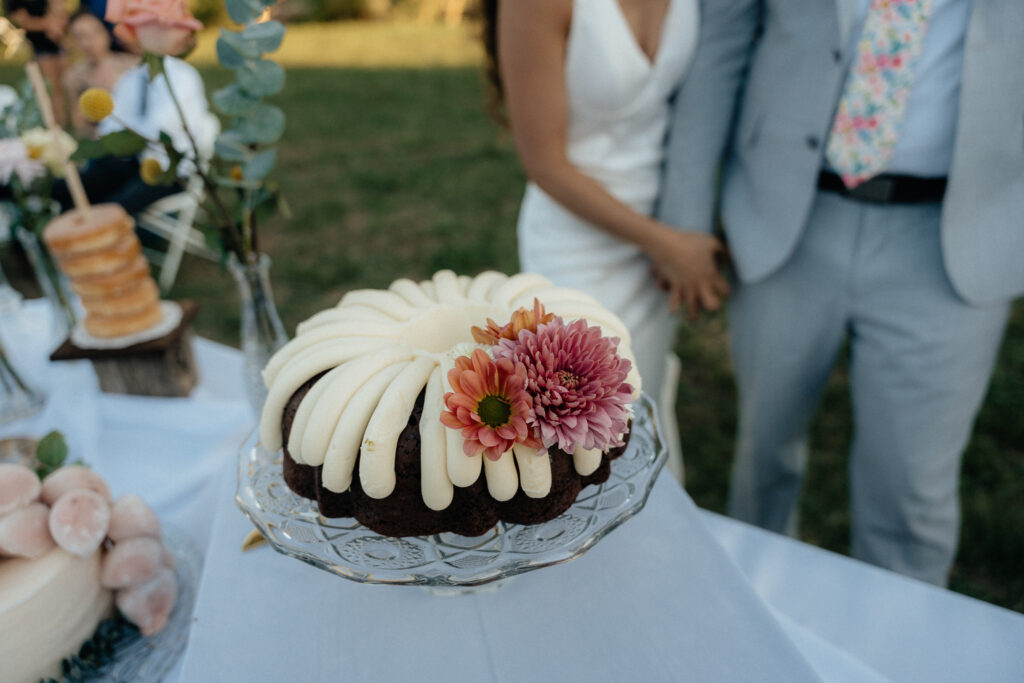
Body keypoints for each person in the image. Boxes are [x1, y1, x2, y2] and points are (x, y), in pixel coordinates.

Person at [659, 0, 1024, 586]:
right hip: (788, 214)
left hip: (954, 233)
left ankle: (892, 658)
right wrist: (684, 218)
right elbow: (722, 37)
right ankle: (760, 625)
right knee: (763, 450)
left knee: (910, 491)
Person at [483, 0, 730, 479]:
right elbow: (545, 166)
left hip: (656, 247)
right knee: (575, 448)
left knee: (645, 410)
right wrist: (667, 245)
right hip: (578, 251)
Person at [52, 46, 215, 217]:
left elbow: (159, 129)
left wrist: (120, 135)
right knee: (70, 187)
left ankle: (98, 230)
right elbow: (111, 122)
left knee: (110, 210)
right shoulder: (133, 76)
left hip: (170, 171)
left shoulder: (182, 76)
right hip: (132, 161)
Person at [63, 10, 138, 137]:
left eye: (95, 32)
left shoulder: (133, 66)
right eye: (81, 36)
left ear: (107, 33)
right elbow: (79, 126)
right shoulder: (73, 77)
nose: (89, 41)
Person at [4, 0, 69, 126]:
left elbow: (60, 8)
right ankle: (57, 123)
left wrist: (58, 25)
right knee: (51, 87)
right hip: (41, 46)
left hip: (59, 42)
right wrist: (50, 25)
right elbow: (24, 22)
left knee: (66, 84)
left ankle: (68, 120)